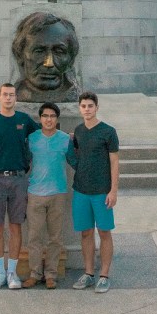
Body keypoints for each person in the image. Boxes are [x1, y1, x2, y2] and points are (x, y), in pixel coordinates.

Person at [0, 82, 39, 290]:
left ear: (16, 98)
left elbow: (44, 135)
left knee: (15, 225)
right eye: (5, 94)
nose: (9, 98)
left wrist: (71, 137)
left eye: (12, 95)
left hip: (19, 179)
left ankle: (12, 272)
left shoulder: (24, 120)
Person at [67, 91, 119, 294]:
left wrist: (113, 191)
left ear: (97, 107)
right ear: (79, 109)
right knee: (86, 233)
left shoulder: (108, 132)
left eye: (90, 106)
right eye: (83, 106)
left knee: (104, 232)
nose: (87, 109)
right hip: (81, 190)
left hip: (102, 191)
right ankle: (89, 273)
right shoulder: (78, 131)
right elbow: (77, 153)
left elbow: (114, 163)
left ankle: (104, 275)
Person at [22, 101, 71, 290]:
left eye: (52, 116)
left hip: (58, 193)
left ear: (57, 119)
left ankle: (51, 274)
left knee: (55, 238)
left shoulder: (65, 139)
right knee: (34, 237)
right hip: (35, 193)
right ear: (40, 118)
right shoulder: (32, 139)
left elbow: (75, 161)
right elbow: (23, 161)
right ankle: (35, 273)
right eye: (45, 116)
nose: (49, 119)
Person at [12, 11, 79, 101]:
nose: (49, 63)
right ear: (19, 55)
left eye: (58, 51)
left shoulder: (74, 95)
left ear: (71, 59)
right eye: (39, 51)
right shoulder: (12, 95)